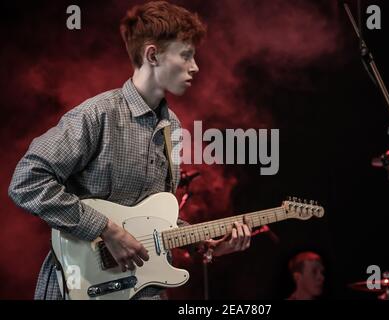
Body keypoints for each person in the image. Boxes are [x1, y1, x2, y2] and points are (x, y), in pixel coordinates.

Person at [8, 0, 252, 300]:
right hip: (81, 286)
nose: (195, 66)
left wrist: (205, 243)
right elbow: (26, 182)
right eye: (186, 55)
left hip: (143, 291)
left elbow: (153, 217)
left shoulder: (171, 127)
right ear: (152, 55)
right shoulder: (96, 115)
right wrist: (107, 230)